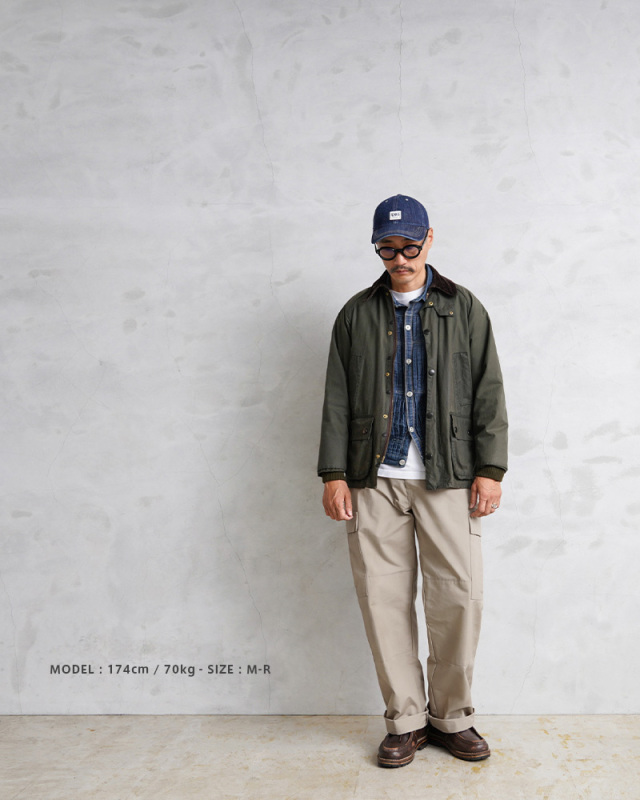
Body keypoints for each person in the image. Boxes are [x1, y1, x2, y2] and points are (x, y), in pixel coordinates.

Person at [318, 194, 508, 768]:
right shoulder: (356, 314)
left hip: (448, 476)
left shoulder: (464, 307)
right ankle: (405, 721)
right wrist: (333, 474)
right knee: (383, 600)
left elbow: (488, 390)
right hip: (372, 478)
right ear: (377, 248)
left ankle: (452, 718)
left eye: (408, 247)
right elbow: (336, 397)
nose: (399, 259)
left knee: (458, 598)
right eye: (387, 249)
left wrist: (491, 469)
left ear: (428, 240)